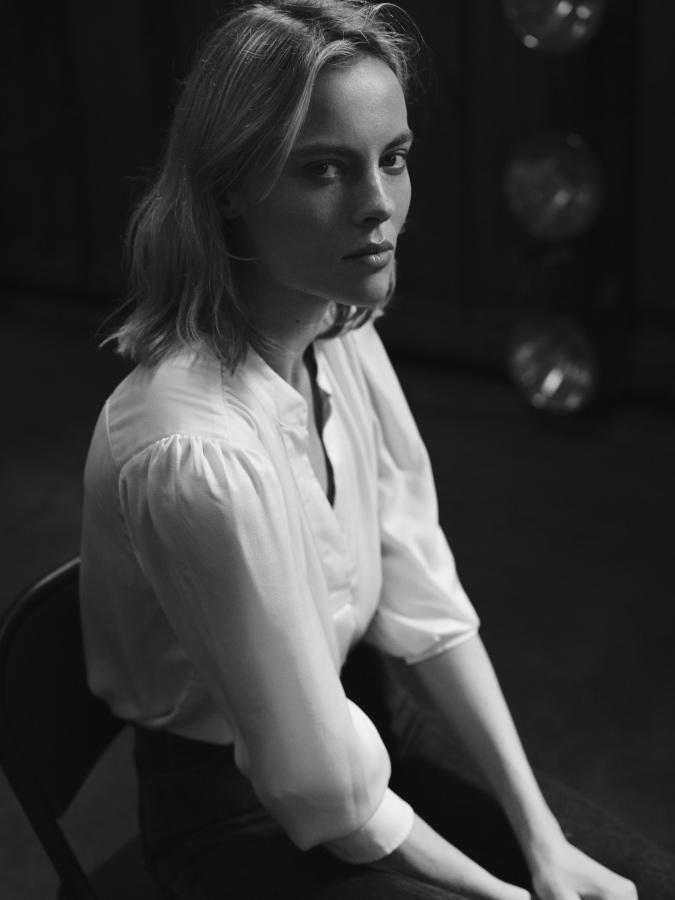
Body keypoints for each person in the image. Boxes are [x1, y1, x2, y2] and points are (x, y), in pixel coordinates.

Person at [79, 2, 673, 898]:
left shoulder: (339, 328)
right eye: (324, 168)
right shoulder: (193, 455)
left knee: (644, 881)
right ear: (228, 188)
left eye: (391, 158)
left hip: (368, 725)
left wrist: (541, 840)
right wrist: (508, 894)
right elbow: (318, 787)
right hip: (237, 810)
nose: (378, 206)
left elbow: (420, 590)